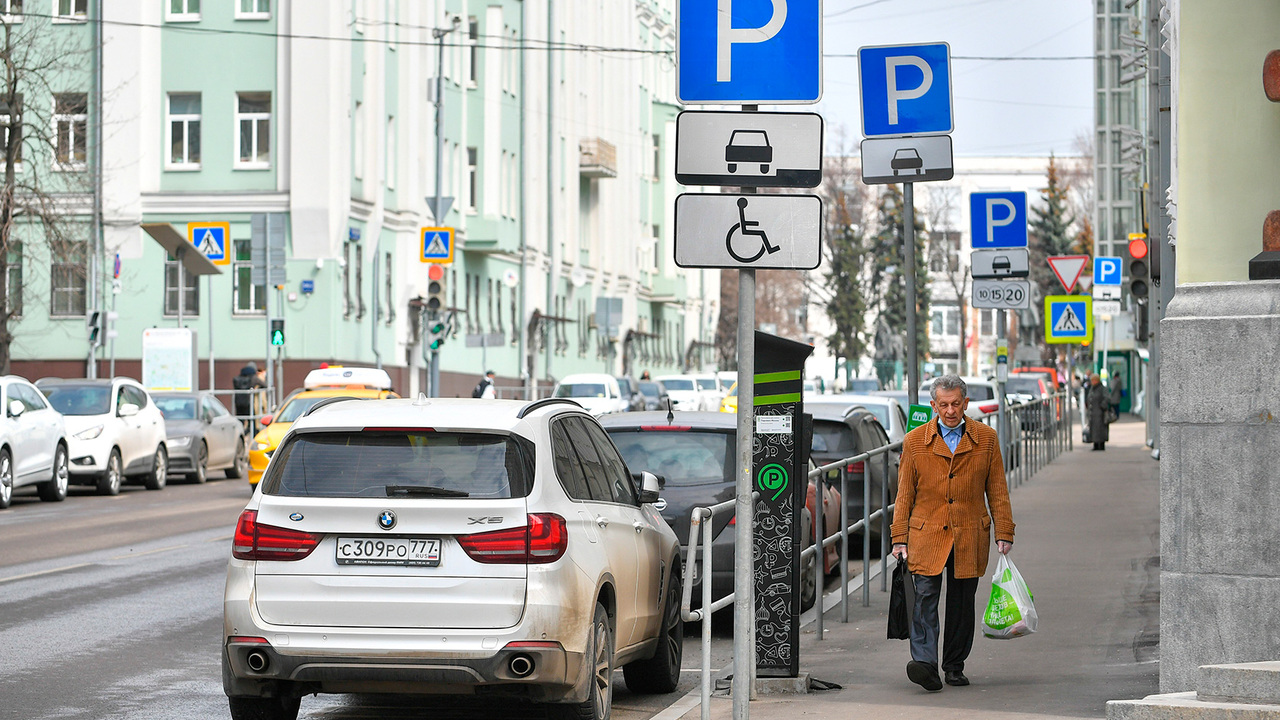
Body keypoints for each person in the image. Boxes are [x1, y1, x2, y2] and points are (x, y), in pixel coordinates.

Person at [890, 374, 1015, 692]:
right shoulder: (915, 441)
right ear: (933, 405)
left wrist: (1004, 531)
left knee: (962, 603)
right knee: (924, 599)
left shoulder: (985, 439)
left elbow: (997, 489)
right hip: (926, 533)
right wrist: (899, 537)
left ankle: (954, 665)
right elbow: (904, 494)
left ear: (966, 404)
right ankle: (925, 665)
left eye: (956, 404)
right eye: (943, 405)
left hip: (969, 532)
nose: (949, 411)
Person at [1087, 373, 1112, 451]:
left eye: (1093, 380)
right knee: (1094, 429)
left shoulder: (1102, 388)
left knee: (1100, 429)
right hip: (1093, 412)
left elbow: (1107, 398)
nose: (1092, 382)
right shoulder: (1092, 388)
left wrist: (1103, 406)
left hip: (1100, 412)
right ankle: (1095, 444)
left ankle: (1101, 444)